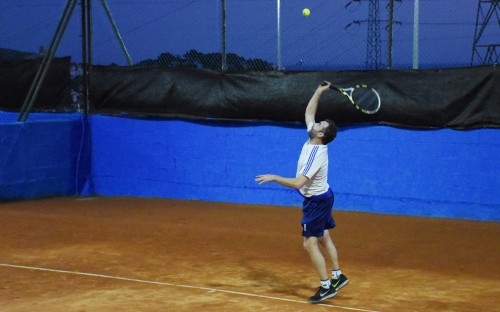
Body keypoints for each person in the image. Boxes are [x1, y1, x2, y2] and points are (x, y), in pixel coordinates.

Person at [255, 81, 349, 304]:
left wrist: (274, 177)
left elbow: (298, 183)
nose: (315, 123)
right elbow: (309, 111)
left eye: (319, 125)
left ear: (321, 135)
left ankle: (326, 286)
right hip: (324, 196)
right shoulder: (313, 136)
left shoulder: (315, 153)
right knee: (324, 236)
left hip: (316, 201)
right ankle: (338, 275)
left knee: (309, 243)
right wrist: (319, 91)